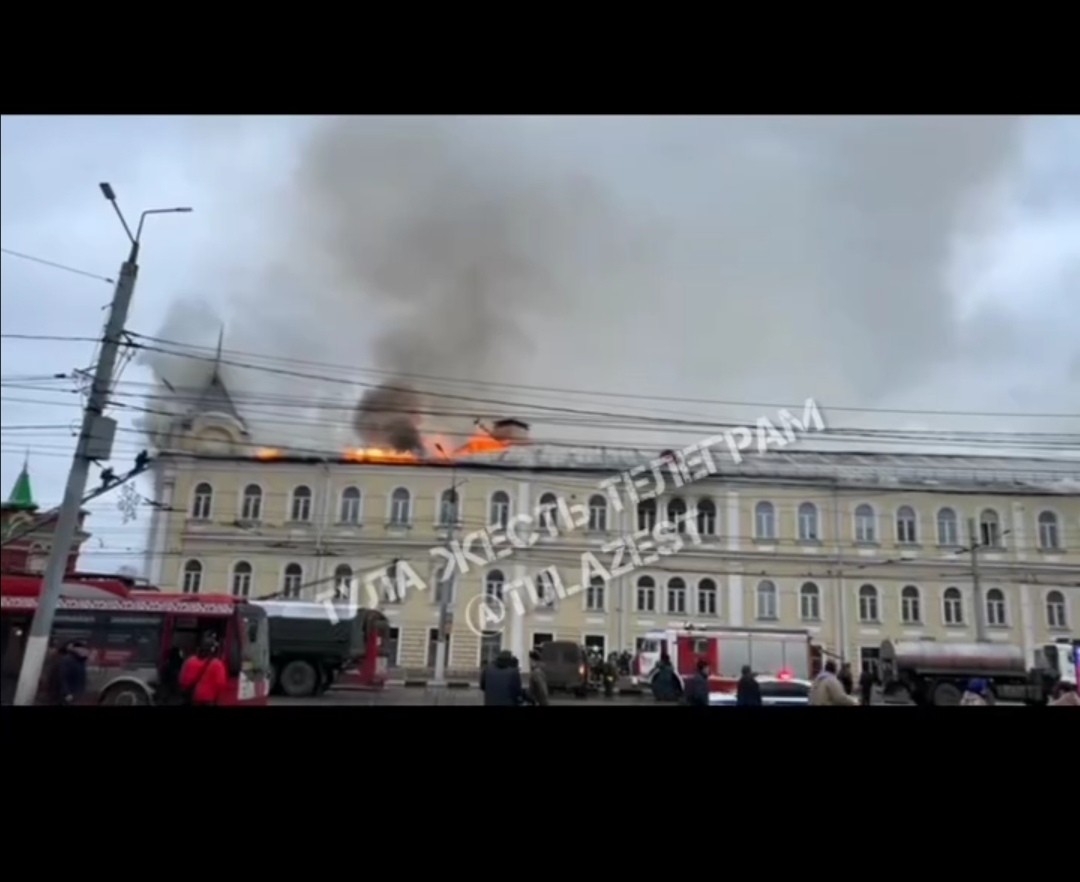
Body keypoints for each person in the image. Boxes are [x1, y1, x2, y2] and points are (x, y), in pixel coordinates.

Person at [178, 634, 227, 706]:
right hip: (208, 699)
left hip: (193, 697)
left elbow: (182, 680)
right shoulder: (217, 664)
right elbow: (221, 683)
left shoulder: (190, 661)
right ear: (213, 650)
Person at [51, 640, 90, 705]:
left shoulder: (81, 661)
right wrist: (67, 693)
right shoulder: (68, 660)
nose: (85, 651)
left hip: (76, 694)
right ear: (76, 649)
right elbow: (63, 678)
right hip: (66, 695)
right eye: (82, 648)